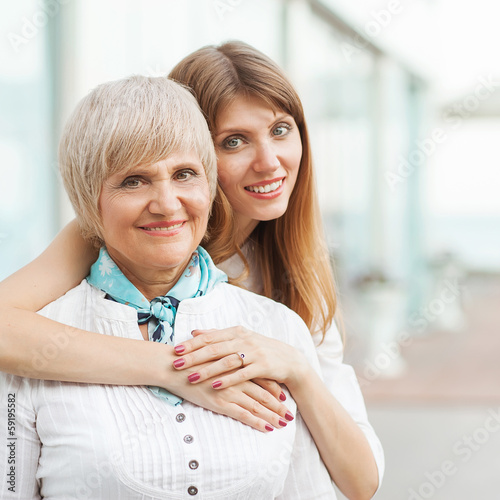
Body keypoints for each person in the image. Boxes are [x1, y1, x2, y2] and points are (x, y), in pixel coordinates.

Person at [0, 42, 383, 498]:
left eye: (281, 129)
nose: (268, 161)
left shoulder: (289, 282)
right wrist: (176, 368)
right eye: (233, 141)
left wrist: (298, 370)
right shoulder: (109, 235)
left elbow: (360, 480)